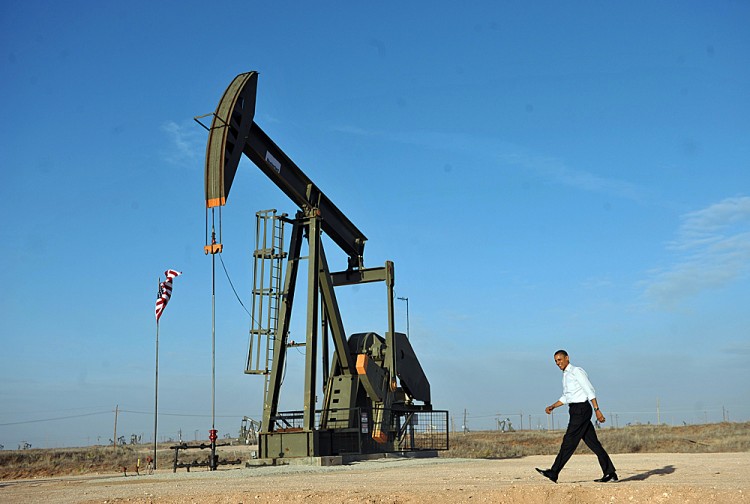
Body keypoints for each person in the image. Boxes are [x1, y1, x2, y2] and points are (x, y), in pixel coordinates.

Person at [535, 349, 617, 483]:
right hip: (575, 409)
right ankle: (610, 473)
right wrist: (553, 406)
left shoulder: (576, 371)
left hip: (581, 409)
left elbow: (589, 390)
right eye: (555, 361)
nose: (557, 363)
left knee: (568, 441)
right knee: (593, 443)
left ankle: (554, 472)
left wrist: (597, 409)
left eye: (559, 360)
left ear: (567, 358)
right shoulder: (566, 375)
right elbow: (567, 397)